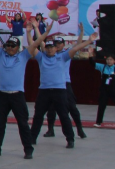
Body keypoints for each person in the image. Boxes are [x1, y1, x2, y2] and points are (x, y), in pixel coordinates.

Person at [29, 20, 95, 149]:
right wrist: (32, 30)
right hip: (44, 91)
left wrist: (89, 40)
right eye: (47, 47)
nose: (50, 49)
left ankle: (70, 138)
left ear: (57, 47)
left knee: (65, 115)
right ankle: (33, 138)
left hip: (60, 90)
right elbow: (34, 44)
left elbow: (77, 46)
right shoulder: (42, 57)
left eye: (52, 46)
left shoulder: (63, 56)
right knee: (38, 115)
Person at [0, 18, 37, 159]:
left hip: (17, 95)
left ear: (18, 48)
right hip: (2, 95)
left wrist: (34, 31)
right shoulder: (0, 55)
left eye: (13, 46)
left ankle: (28, 149)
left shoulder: (23, 56)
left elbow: (36, 43)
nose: (10, 48)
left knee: (23, 124)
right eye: (8, 45)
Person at [44, 29, 88, 140]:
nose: (57, 45)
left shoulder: (66, 54)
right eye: (56, 44)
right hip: (53, 85)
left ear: (63, 45)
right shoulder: (49, 55)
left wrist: (81, 32)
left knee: (72, 107)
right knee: (51, 108)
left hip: (65, 83)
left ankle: (80, 129)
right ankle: (50, 129)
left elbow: (77, 45)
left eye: (59, 44)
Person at [93, 51, 115, 126]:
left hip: (113, 90)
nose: (109, 61)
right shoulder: (102, 67)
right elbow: (92, 63)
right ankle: (98, 122)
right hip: (104, 90)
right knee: (101, 105)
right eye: (108, 59)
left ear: (114, 61)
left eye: (111, 59)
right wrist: (90, 55)